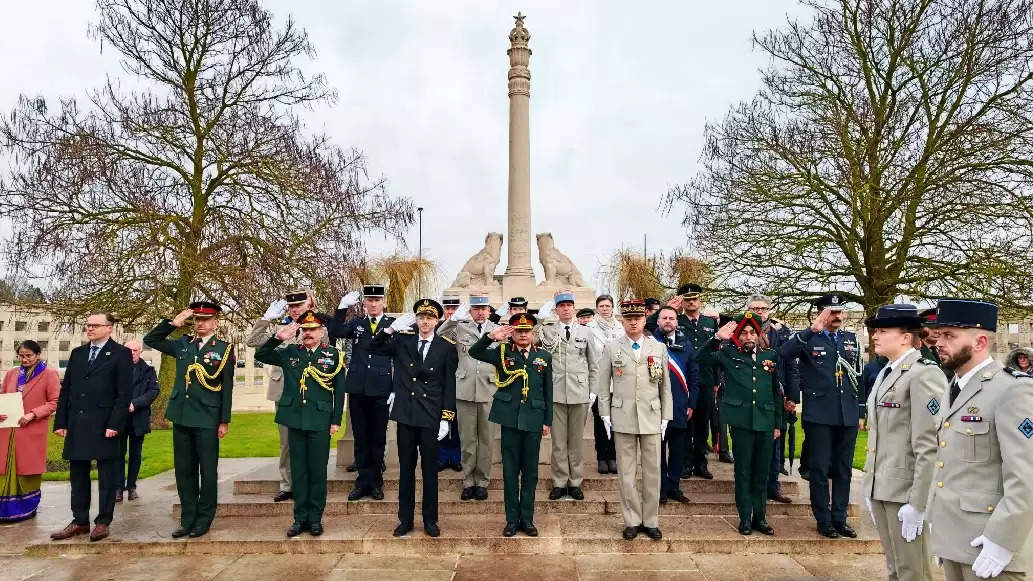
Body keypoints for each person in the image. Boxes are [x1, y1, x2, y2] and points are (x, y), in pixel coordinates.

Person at [927, 299, 1033, 581]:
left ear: (980, 341)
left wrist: (1003, 540)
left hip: (991, 547)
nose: (939, 342)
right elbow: (947, 466)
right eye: (939, 334)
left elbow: (1026, 475)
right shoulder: (953, 388)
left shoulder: (1012, 390)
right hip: (954, 541)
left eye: (950, 335)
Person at [861, 304, 945, 581]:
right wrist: (870, 486)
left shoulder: (923, 374)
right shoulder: (888, 372)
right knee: (895, 568)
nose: (875, 336)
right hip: (883, 487)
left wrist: (919, 504)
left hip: (905, 493)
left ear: (906, 337)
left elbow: (929, 445)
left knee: (914, 572)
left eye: (883, 331)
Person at [144, 301, 234, 538]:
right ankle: (188, 518)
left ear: (215, 323)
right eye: (197, 320)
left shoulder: (223, 349)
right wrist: (172, 324)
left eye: (205, 320)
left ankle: (204, 519)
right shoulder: (183, 344)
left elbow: (227, 387)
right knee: (184, 471)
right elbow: (151, 340)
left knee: (207, 471)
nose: (200, 324)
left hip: (207, 416)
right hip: (182, 415)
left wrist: (224, 420)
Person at [371, 299, 458, 538]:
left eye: (430, 318)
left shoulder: (446, 347)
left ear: (437, 320)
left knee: (430, 472)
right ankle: (405, 519)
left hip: (430, 416)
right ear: (416, 320)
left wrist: (446, 417)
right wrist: (389, 329)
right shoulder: (403, 341)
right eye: (421, 318)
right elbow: (373, 347)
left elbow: (449, 386)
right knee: (406, 471)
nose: (425, 322)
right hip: (407, 414)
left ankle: (430, 520)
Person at [778, 293, 861, 538]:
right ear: (820, 313)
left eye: (839, 312)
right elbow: (783, 354)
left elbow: (858, 376)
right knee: (820, 469)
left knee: (844, 469)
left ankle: (840, 517)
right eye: (831, 312)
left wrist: (862, 410)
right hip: (819, 415)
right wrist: (811, 330)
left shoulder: (850, 339)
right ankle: (823, 518)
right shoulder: (808, 337)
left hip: (847, 413)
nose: (836, 316)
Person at [255, 310, 344, 538]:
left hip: (320, 421)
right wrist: (279, 337)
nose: (308, 334)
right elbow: (262, 354)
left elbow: (340, 392)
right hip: (294, 419)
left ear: (322, 332)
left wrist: (335, 421)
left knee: (316, 472)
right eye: (304, 330)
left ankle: (315, 519)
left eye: (313, 330)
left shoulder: (333, 356)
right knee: (299, 472)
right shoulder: (290, 352)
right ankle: (299, 518)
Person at [596, 299, 673, 540]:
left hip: (651, 415)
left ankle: (650, 520)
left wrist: (666, 416)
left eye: (637, 319)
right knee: (626, 474)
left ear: (644, 320)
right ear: (623, 321)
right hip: (623, 415)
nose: (633, 323)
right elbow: (602, 383)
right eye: (628, 319)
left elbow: (665, 386)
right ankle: (631, 519)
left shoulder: (657, 347)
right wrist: (605, 413)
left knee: (652, 472)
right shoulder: (612, 347)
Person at [470, 313, 552, 537]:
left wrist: (548, 421)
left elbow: (548, 391)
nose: (523, 334)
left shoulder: (544, 356)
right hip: (509, 420)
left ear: (533, 332)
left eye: (527, 331)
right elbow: (474, 352)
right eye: (518, 331)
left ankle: (527, 520)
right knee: (509, 472)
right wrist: (491, 337)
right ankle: (511, 521)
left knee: (531, 473)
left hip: (534, 419)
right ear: (512, 333)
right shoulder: (502, 352)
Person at [701, 313, 782, 535]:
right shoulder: (728, 353)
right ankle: (745, 518)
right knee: (744, 472)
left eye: (752, 333)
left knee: (761, 473)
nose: (748, 336)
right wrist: (717, 338)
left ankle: (761, 518)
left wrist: (778, 424)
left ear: (759, 335)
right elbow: (700, 358)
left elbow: (776, 392)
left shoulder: (771, 356)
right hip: (741, 422)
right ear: (737, 335)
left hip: (765, 422)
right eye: (744, 332)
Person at [246, 289, 318, 502]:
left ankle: (309, 482)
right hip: (284, 392)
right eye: (292, 306)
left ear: (309, 305)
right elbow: (253, 341)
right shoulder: (280, 327)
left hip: (309, 391)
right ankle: (287, 485)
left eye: (299, 305)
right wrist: (266, 320)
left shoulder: (317, 327)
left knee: (311, 441)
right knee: (286, 442)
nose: (295, 310)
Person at [329, 284, 394, 501]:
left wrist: (394, 389)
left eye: (377, 300)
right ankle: (362, 482)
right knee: (361, 437)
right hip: (357, 388)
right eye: (369, 300)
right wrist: (341, 308)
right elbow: (335, 331)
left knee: (378, 439)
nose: (373, 304)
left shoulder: (392, 325)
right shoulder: (357, 323)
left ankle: (375, 482)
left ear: (383, 302)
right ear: (364, 303)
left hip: (381, 388)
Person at [535, 290, 599, 501]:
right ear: (556, 309)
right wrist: (539, 319)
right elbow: (531, 338)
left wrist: (593, 391)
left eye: (569, 305)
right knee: (559, 442)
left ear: (574, 308)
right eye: (561, 306)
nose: (565, 309)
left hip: (579, 393)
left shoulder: (586, 332)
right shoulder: (549, 330)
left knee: (576, 442)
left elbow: (594, 364)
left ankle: (576, 482)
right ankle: (560, 481)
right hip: (556, 393)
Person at [436, 294, 498, 501]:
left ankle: (482, 482)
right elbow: (439, 332)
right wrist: (454, 318)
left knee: (486, 440)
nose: (480, 312)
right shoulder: (461, 327)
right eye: (476, 309)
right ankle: (468, 481)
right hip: (464, 389)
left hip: (489, 390)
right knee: (468, 439)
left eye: (484, 309)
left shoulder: (497, 330)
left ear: (489, 311)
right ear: (470, 311)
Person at [658, 284, 719, 481]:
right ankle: (685, 463)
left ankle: (701, 462)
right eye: (687, 299)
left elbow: (716, 353)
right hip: (683, 381)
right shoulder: (676, 321)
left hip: (706, 379)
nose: (691, 302)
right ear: (682, 301)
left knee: (703, 423)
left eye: (694, 298)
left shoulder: (711, 323)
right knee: (685, 423)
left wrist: (717, 381)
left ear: (700, 300)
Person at [745, 294, 800, 505]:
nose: (759, 311)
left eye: (763, 308)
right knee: (750, 444)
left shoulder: (782, 332)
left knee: (776, 442)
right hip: (750, 394)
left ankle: (772, 486)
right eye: (755, 308)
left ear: (769, 310)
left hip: (777, 394)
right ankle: (750, 487)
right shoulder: (741, 331)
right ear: (748, 310)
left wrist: (792, 397)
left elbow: (792, 366)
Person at [0, 340, 60, 522]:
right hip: (7, 431)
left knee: (27, 471)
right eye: (21, 356)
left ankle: (26, 508)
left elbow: (54, 402)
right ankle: (4, 511)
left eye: (29, 355)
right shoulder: (11, 374)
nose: (24, 359)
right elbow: (3, 397)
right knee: (3, 470)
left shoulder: (49, 375)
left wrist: (33, 414)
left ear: (38, 355)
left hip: (31, 430)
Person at [652, 306, 699, 505]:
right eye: (664, 318)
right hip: (656, 407)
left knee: (678, 450)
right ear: (658, 321)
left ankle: (674, 487)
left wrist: (692, 404)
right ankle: (661, 488)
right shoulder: (650, 343)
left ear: (677, 322)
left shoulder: (686, 345)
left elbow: (694, 376)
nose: (668, 321)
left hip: (680, 407)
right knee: (658, 451)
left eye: (672, 318)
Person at [117, 340, 159, 502]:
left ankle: (132, 486)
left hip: (138, 418)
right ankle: (118, 488)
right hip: (119, 418)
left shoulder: (148, 370)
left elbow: (154, 391)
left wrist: (136, 403)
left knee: (136, 454)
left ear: (140, 352)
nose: (132, 353)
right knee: (118, 454)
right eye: (129, 350)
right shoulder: (116, 369)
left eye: (135, 350)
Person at [588, 294, 620, 474]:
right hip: (598, 382)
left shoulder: (620, 328)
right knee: (600, 422)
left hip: (617, 382)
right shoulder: (589, 329)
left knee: (615, 421)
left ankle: (613, 457)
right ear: (597, 308)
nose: (605, 309)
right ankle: (602, 457)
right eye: (601, 306)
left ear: (612, 307)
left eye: (608, 306)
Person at [436, 296, 463, 473]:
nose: (451, 312)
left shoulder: (464, 328)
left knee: (457, 422)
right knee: (439, 420)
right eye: (448, 309)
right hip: (438, 380)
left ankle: (455, 457)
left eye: (454, 309)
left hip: (459, 379)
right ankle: (441, 457)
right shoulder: (437, 327)